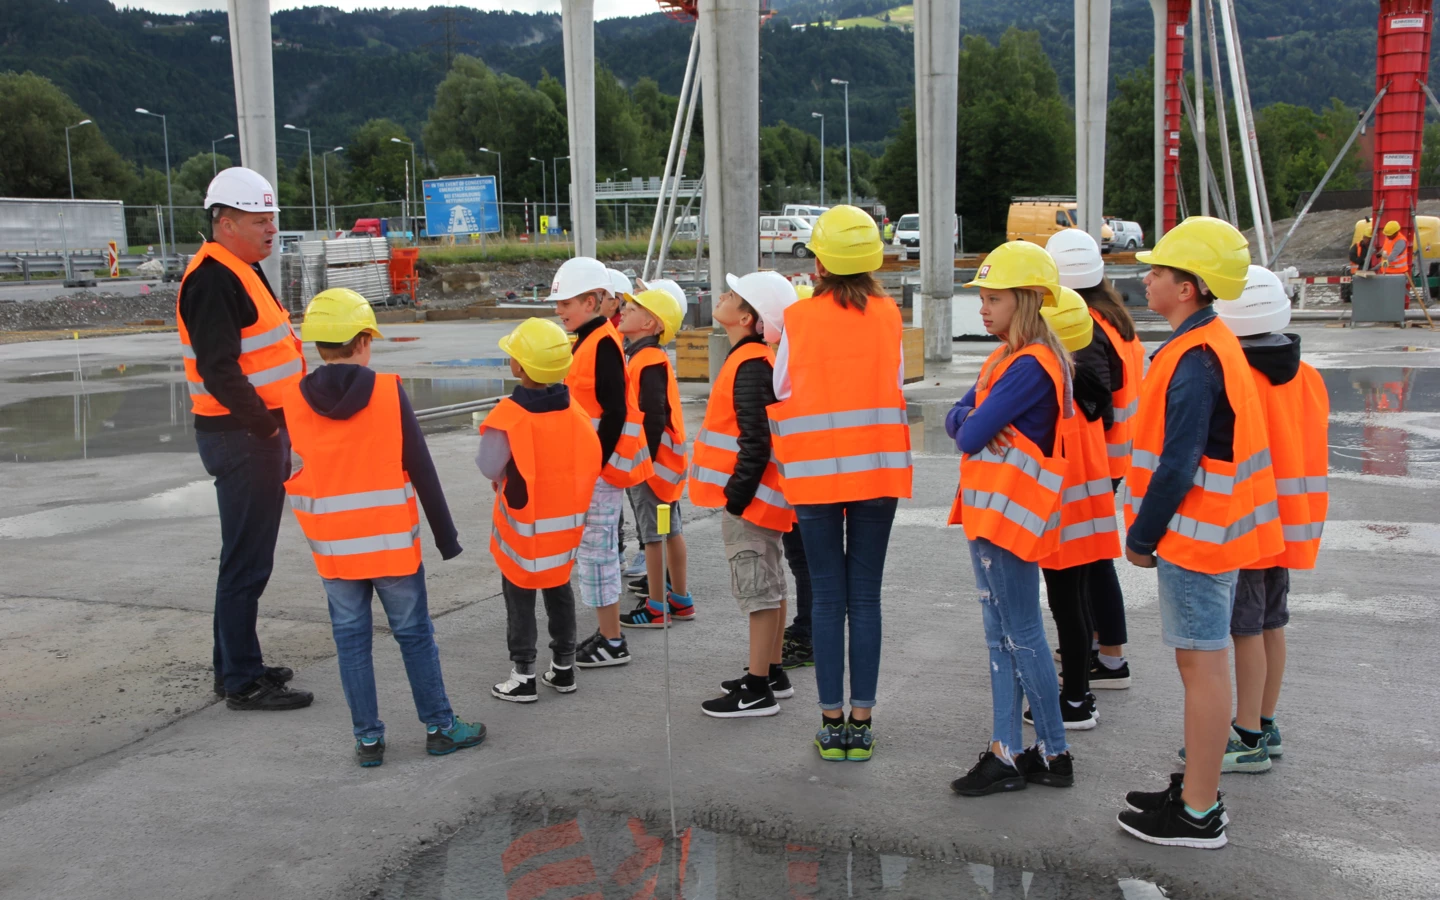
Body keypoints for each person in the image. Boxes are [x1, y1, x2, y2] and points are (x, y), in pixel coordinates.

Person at [1118, 216, 1283, 849]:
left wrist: (1142, 535)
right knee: (1202, 664)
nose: (1148, 277)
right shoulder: (1212, 341)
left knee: (1202, 668)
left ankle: (1198, 810)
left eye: (1158, 270)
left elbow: (1179, 460)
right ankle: (1196, 792)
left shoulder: (1195, 358)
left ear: (1188, 287)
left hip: (1194, 536)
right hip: (1209, 535)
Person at [281, 289, 483, 767]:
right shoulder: (388, 391)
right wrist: (446, 537)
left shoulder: (291, 400)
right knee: (414, 635)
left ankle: (368, 740)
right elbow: (421, 465)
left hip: (334, 551)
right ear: (364, 340)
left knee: (351, 642)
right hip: (392, 547)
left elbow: (288, 469)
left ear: (316, 346)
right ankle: (439, 727)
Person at [769, 205, 912, 762]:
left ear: (821, 260)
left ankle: (832, 724)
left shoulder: (799, 319)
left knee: (827, 597)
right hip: (877, 469)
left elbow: (782, 387)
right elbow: (895, 379)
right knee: (866, 597)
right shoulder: (888, 314)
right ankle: (863, 720)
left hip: (814, 474)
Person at [943, 241, 1074, 796]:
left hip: (1007, 519)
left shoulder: (1028, 367)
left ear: (1025, 301)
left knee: (1015, 634)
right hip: (997, 516)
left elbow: (968, 432)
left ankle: (1022, 750)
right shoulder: (1007, 360)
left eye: (994, 298)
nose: (983, 308)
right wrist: (970, 418)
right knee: (1010, 633)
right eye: (983, 297)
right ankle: (1039, 751)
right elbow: (958, 417)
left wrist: (971, 420)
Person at [179, 167, 312, 711]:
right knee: (247, 561)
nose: (270, 229)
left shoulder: (241, 267)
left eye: (272, 219)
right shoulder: (214, 278)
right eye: (260, 220)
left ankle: (236, 663)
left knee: (245, 557)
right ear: (225, 221)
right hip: (242, 437)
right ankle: (241, 681)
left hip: (252, 434)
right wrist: (265, 426)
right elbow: (219, 368)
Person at [1212, 267, 1329, 769]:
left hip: (1247, 522)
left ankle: (1248, 736)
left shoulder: (1237, 377)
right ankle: (1265, 720)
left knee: (1246, 629)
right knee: (1271, 622)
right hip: (1288, 521)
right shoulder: (1306, 374)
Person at [692, 271, 799, 717]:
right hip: (763, 498)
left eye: (733, 295)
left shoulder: (751, 364)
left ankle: (757, 690)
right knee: (770, 586)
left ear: (750, 317)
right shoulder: (756, 359)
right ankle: (771, 671)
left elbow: (756, 440)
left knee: (757, 591)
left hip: (750, 500)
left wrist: (736, 497)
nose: (722, 296)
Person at [480, 318, 602, 703]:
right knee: (559, 589)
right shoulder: (576, 412)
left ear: (518, 366)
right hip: (562, 530)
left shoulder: (509, 415)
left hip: (522, 528)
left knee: (519, 596)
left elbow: (488, 465)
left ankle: (523, 675)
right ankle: (564, 669)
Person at [1048, 228, 1140, 690]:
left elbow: (1094, 395)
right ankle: (1106, 653)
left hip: (1095, 460)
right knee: (1096, 556)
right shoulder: (1113, 317)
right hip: (1115, 457)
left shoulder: (1084, 324)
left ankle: (1104, 657)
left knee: (1089, 560)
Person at [551, 257, 653, 668]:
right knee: (596, 553)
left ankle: (612, 640)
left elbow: (613, 412)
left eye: (566, 304)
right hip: (591, 465)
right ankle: (608, 633)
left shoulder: (602, 344)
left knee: (597, 555)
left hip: (599, 469)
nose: (559, 312)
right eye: (557, 305)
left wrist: (592, 462)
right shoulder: (590, 340)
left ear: (592, 301)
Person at [1029, 287, 1119, 732]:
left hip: (1062, 510)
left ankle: (1077, 700)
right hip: (1089, 505)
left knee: (1067, 605)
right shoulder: (1086, 386)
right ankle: (1080, 692)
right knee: (1076, 603)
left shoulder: (1055, 386)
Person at [616, 288, 695, 627]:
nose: (624, 310)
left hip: (651, 464)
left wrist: (640, 461)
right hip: (666, 463)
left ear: (649, 323)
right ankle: (679, 598)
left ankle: (656, 607)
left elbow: (652, 414)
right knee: (671, 529)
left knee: (652, 535)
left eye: (631, 308)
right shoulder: (650, 356)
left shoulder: (646, 359)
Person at [780, 283, 816, 672]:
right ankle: (808, 629)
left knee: (805, 562)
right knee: (806, 561)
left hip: (803, 476)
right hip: (807, 473)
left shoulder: (798, 362)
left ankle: (808, 634)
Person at [603, 268, 645, 579]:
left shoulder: (614, 339)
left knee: (638, 503)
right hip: (624, 441)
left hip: (626, 444)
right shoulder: (612, 336)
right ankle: (620, 550)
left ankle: (636, 551)